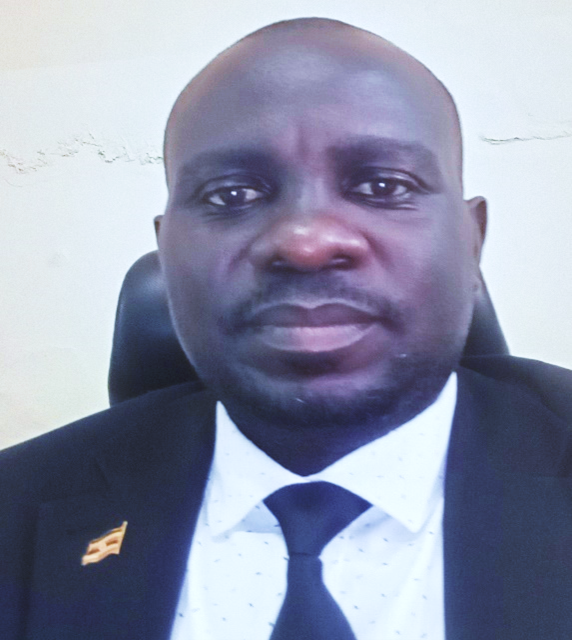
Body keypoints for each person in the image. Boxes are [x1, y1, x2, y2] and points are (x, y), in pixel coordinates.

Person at [2, 17, 572, 640]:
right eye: (231, 195)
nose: (305, 241)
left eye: (384, 185)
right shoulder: (15, 514)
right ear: (166, 253)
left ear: (473, 239)